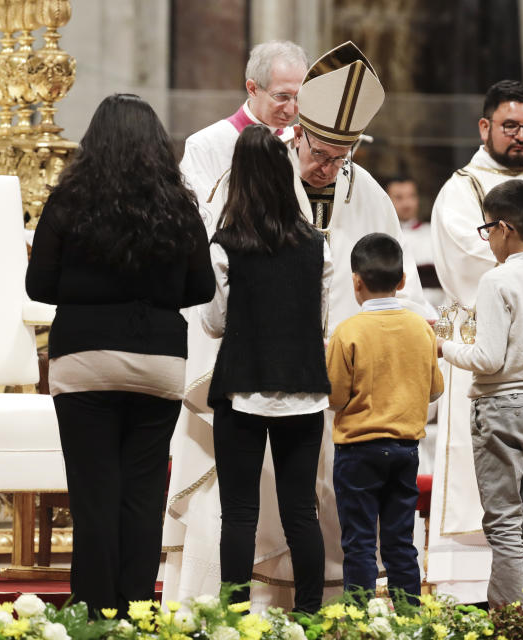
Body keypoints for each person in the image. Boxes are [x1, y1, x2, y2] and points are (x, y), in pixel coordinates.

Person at [164, 41, 434, 608]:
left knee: (310, 510)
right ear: (300, 132)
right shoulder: (251, 184)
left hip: (338, 384)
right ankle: (258, 606)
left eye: (343, 155)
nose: (328, 166)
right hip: (285, 377)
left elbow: (399, 290)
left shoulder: (370, 196)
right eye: (320, 151)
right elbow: (213, 298)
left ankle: (323, 608)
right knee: (261, 507)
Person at [25, 93, 215, 615]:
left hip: (84, 360)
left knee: (93, 495)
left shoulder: (69, 199)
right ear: (157, 144)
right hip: (157, 363)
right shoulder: (178, 203)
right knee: (141, 496)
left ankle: (91, 613)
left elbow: (38, 284)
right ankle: (133, 612)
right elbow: (200, 288)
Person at [428, 80, 523, 603]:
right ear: (485, 127)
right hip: (479, 342)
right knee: (488, 491)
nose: (521, 136)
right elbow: (473, 257)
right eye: (510, 125)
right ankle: (473, 593)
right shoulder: (461, 188)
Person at [201, 125, 332, 612]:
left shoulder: (225, 243)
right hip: (303, 389)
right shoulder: (317, 243)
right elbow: (318, 318)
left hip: (243, 387)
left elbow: (214, 323)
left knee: (238, 513)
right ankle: (311, 617)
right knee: (302, 513)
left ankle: (234, 616)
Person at [326, 233, 444, 603]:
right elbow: (434, 390)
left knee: (359, 543)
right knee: (400, 543)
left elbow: (335, 397)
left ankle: (359, 624)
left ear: (356, 281)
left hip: (358, 449)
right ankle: (409, 621)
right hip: (406, 448)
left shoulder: (348, 332)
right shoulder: (420, 330)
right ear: (403, 281)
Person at [180, 40, 309, 236]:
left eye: (298, 97)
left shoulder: (301, 143)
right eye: (282, 96)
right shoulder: (205, 146)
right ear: (252, 88)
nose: (292, 110)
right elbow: (201, 222)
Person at [385, 175, 444, 308]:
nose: (406, 203)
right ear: (387, 200)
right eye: (399, 197)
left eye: (411, 196)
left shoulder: (434, 234)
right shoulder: (382, 239)